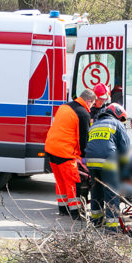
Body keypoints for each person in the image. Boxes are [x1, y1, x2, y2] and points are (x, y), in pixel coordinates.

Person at [44, 88, 94, 219]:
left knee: (60, 181)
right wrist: (84, 158)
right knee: (72, 183)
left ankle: (63, 209)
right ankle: (75, 213)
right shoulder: (82, 113)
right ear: (89, 101)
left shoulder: (64, 107)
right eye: (92, 104)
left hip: (51, 149)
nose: (91, 107)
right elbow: (83, 139)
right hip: (65, 152)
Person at [84, 103, 130, 233]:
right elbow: (125, 149)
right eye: (121, 118)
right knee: (111, 194)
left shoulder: (95, 125)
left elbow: (89, 144)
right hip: (108, 162)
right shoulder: (117, 125)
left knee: (96, 191)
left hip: (92, 162)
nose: (122, 122)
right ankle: (111, 227)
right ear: (117, 114)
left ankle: (96, 222)